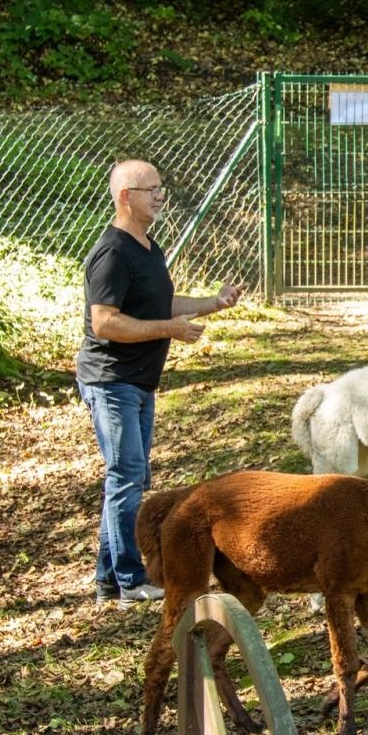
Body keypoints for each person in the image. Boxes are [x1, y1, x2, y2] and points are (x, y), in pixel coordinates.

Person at [77, 159, 242, 607]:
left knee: (128, 478)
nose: (160, 196)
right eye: (152, 190)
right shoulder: (112, 253)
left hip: (138, 382)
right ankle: (131, 579)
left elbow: (161, 302)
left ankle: (109, 581)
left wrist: (214, 303)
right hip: (111, 381)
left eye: (161, 188)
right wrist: (169, 330)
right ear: (126, 196)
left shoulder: (149, 247)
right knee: (127, 478)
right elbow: (105, 323)